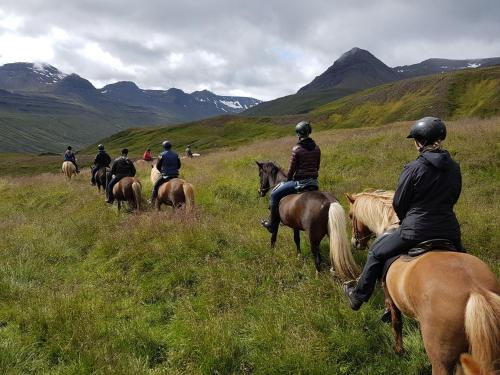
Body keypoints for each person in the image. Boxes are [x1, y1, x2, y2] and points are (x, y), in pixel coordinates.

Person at [343, 117, 462, 311]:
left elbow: (399, 203)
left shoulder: (413, 168)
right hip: (450, 231)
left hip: (416, 231)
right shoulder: (454, 168)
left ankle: (358, 296)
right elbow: (454, 197)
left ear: (419, 141)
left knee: (376, 252)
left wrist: (411, 219)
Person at [260, 120, 321, 232]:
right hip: (314, 183)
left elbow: (291, 170)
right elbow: (317, 167)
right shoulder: (317, 148)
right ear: (309, 132)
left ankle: (272, 225)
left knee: (274, 195)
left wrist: (288, 180)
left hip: (299, 183)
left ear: (298, 134)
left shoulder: (296, 149)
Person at [150, 140, 181, 205]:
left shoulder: (161, 155)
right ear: (170, 146)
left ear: (164, 147)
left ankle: (152, 200)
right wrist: (174, 170)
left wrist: (162, 172)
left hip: (166, 175)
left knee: (155, 186)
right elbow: (179, 165)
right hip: (175, 175)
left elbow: (158, 166)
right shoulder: (176, 154)